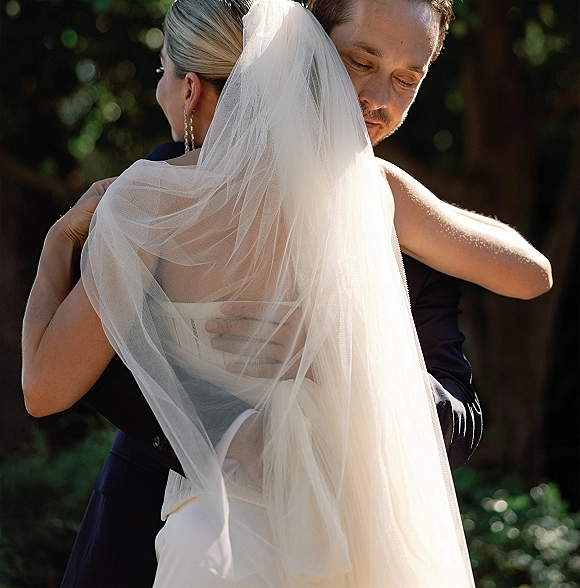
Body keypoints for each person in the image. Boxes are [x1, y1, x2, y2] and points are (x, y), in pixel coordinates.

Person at [21, 0, 552, 585]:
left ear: (191, 86)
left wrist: (349, 347)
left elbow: (44, 385)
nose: (379, 97)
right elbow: (533, 275)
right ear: (311, 49)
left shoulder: (154, 201)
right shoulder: (376, 191)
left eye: (408, 79)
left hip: (241, 531)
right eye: (359, 61)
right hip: (317, 530)